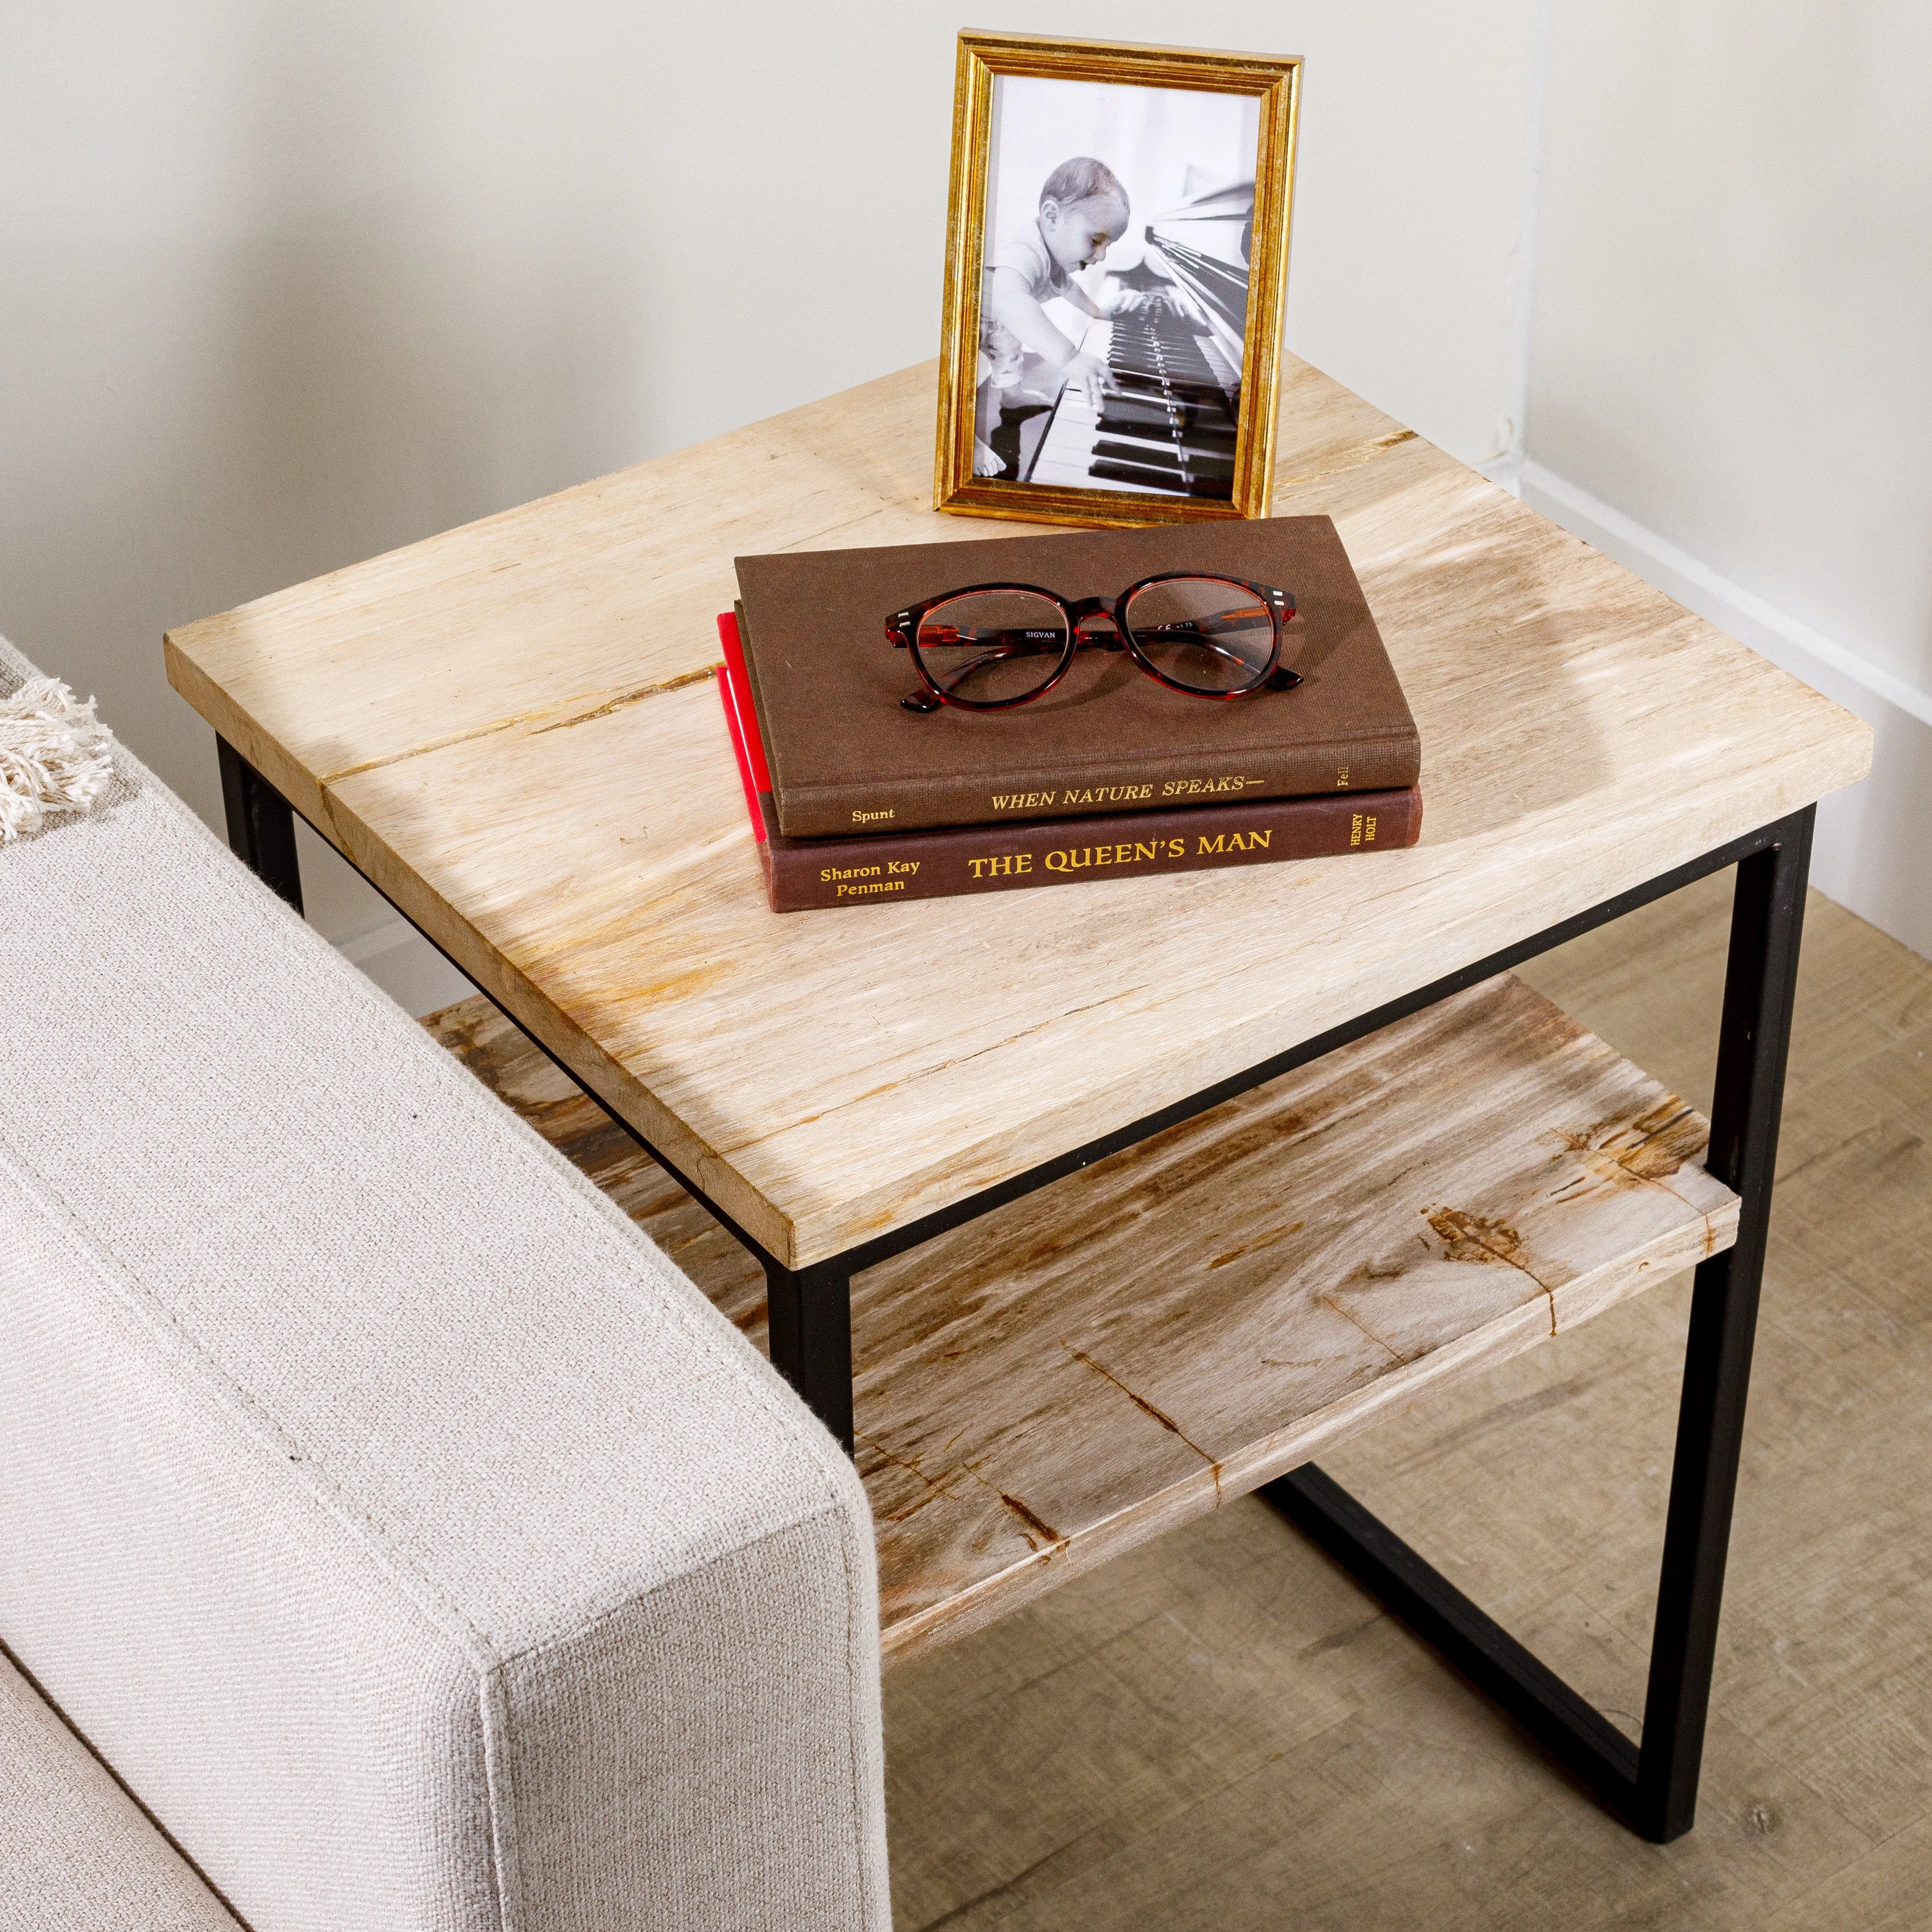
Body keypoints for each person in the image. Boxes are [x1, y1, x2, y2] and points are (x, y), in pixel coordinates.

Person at [981, 157, 1164, 403]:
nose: (1101, 256)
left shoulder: (1052, 254)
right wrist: (1070, 358)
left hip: (997, 321)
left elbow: (1068, 287)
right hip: (969, 315)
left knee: (1008, 348)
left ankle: (1012, 398)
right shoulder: (1025, 251)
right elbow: (1012, 302)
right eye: (1095, 241)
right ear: (1053, 217)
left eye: (1108, 246)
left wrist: (1097, 311)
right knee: (1004, 343)